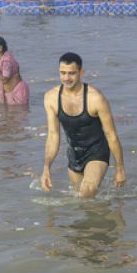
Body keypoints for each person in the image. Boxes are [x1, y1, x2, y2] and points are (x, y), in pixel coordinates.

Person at [41, 52, 127, 197]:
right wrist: (46, 167)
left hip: (97, 152)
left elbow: (111, 135)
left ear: (81, 72)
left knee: (86, 192)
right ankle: (110, 214)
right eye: (63, 73)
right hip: (74, 154)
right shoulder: (51, 98)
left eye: (71, 73)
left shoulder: (96, 98)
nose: (66, 78)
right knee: (84, 204)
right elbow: (53, 136)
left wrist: (120, 169)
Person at [0, 36, 29, 105]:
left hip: (17, 93)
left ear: (0, 48)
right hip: (11, 93)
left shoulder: (6, 60)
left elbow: (4, 80)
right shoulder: (2, 59)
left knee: (19, 113)